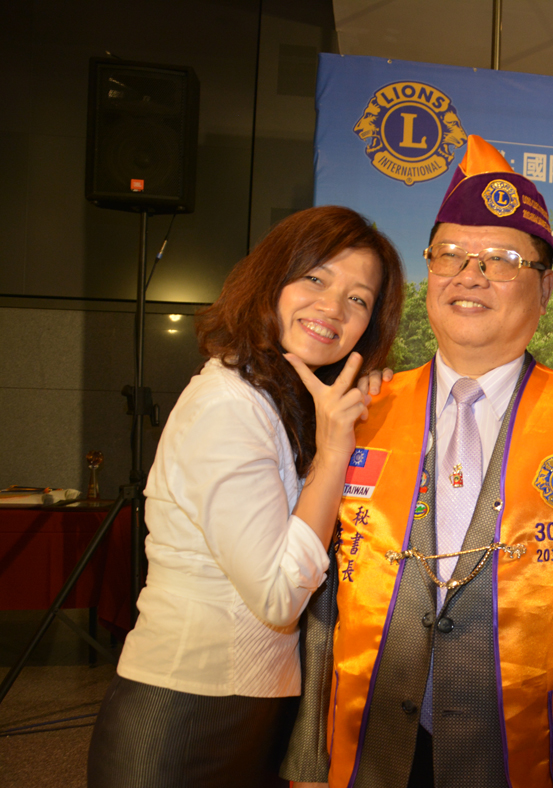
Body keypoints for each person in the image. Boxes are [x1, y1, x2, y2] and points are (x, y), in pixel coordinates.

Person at [281, 136, 553, 788]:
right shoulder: (361, 409)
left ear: (544, 289)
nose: (469, 275)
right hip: (373, 747)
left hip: (528, 750)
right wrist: (309, 757)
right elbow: (324, 597)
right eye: (449, 255)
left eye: (501, 260)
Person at [87, 205, 405, 787]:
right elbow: (278, 595)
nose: (333, 307)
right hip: (182, 709)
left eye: (358, 299)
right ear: (271, 280)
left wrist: (371, 414)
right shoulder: (227, 406)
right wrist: (335, 453)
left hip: (250, 703)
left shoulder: (282, 403)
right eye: (315, 277)